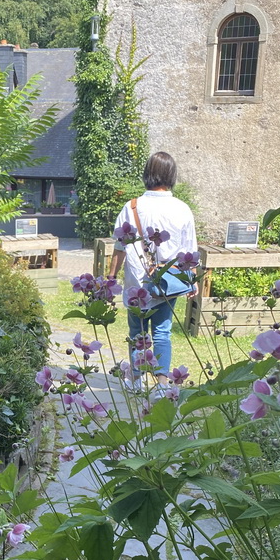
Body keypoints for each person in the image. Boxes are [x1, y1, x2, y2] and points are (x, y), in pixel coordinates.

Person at [107, 151, 198, 390]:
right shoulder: (182, 209)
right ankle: (161, 385)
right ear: (172, 175)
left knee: (137, 331)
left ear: (148, 173)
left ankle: (136, 380)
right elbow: (190, 251)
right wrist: (193, 280)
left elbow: (119, 247)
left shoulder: (132, 206)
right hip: (169, 281)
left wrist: (110, 278)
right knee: (162, 333)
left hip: (137, 280)